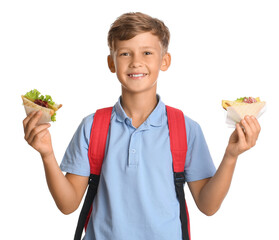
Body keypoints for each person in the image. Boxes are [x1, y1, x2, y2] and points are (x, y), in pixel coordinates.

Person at [23, 12, 261, 240]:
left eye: (147, 52)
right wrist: (47, 154)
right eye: (125, 53)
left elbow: (208, 206)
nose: (136, 62)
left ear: (164, 61)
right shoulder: (92, 126)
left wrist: (231, 156)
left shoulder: (186, 128)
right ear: (111, 62)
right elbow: (68, 205)